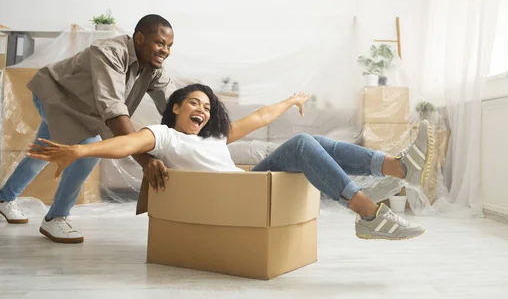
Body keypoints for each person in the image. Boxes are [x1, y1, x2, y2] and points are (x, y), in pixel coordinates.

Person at [27, 84, 435, 241]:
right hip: (235, 200)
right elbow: (127, 142)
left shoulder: (215, 136)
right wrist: (80, 150)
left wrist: (291, 101)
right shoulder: (164, 134)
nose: (201, 111)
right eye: (193, 104)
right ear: (175, 108)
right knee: (303, 143)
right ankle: (367, 212)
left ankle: (398, 166)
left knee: (313, 142)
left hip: (248, 189)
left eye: (206, 106)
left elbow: (259, 119)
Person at [0, 14, 177, 244]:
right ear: (140, 38)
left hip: (87, 112)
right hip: (58, 97)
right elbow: (114, 111)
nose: (165, 50)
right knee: (90, 151)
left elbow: (175, 106)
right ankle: (56, 218)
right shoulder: (109, 52)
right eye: (160, 43)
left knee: (46, 153)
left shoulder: (154, 68)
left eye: (170, 46)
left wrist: (201, 127)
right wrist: (144, 160)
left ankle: (5, 198)